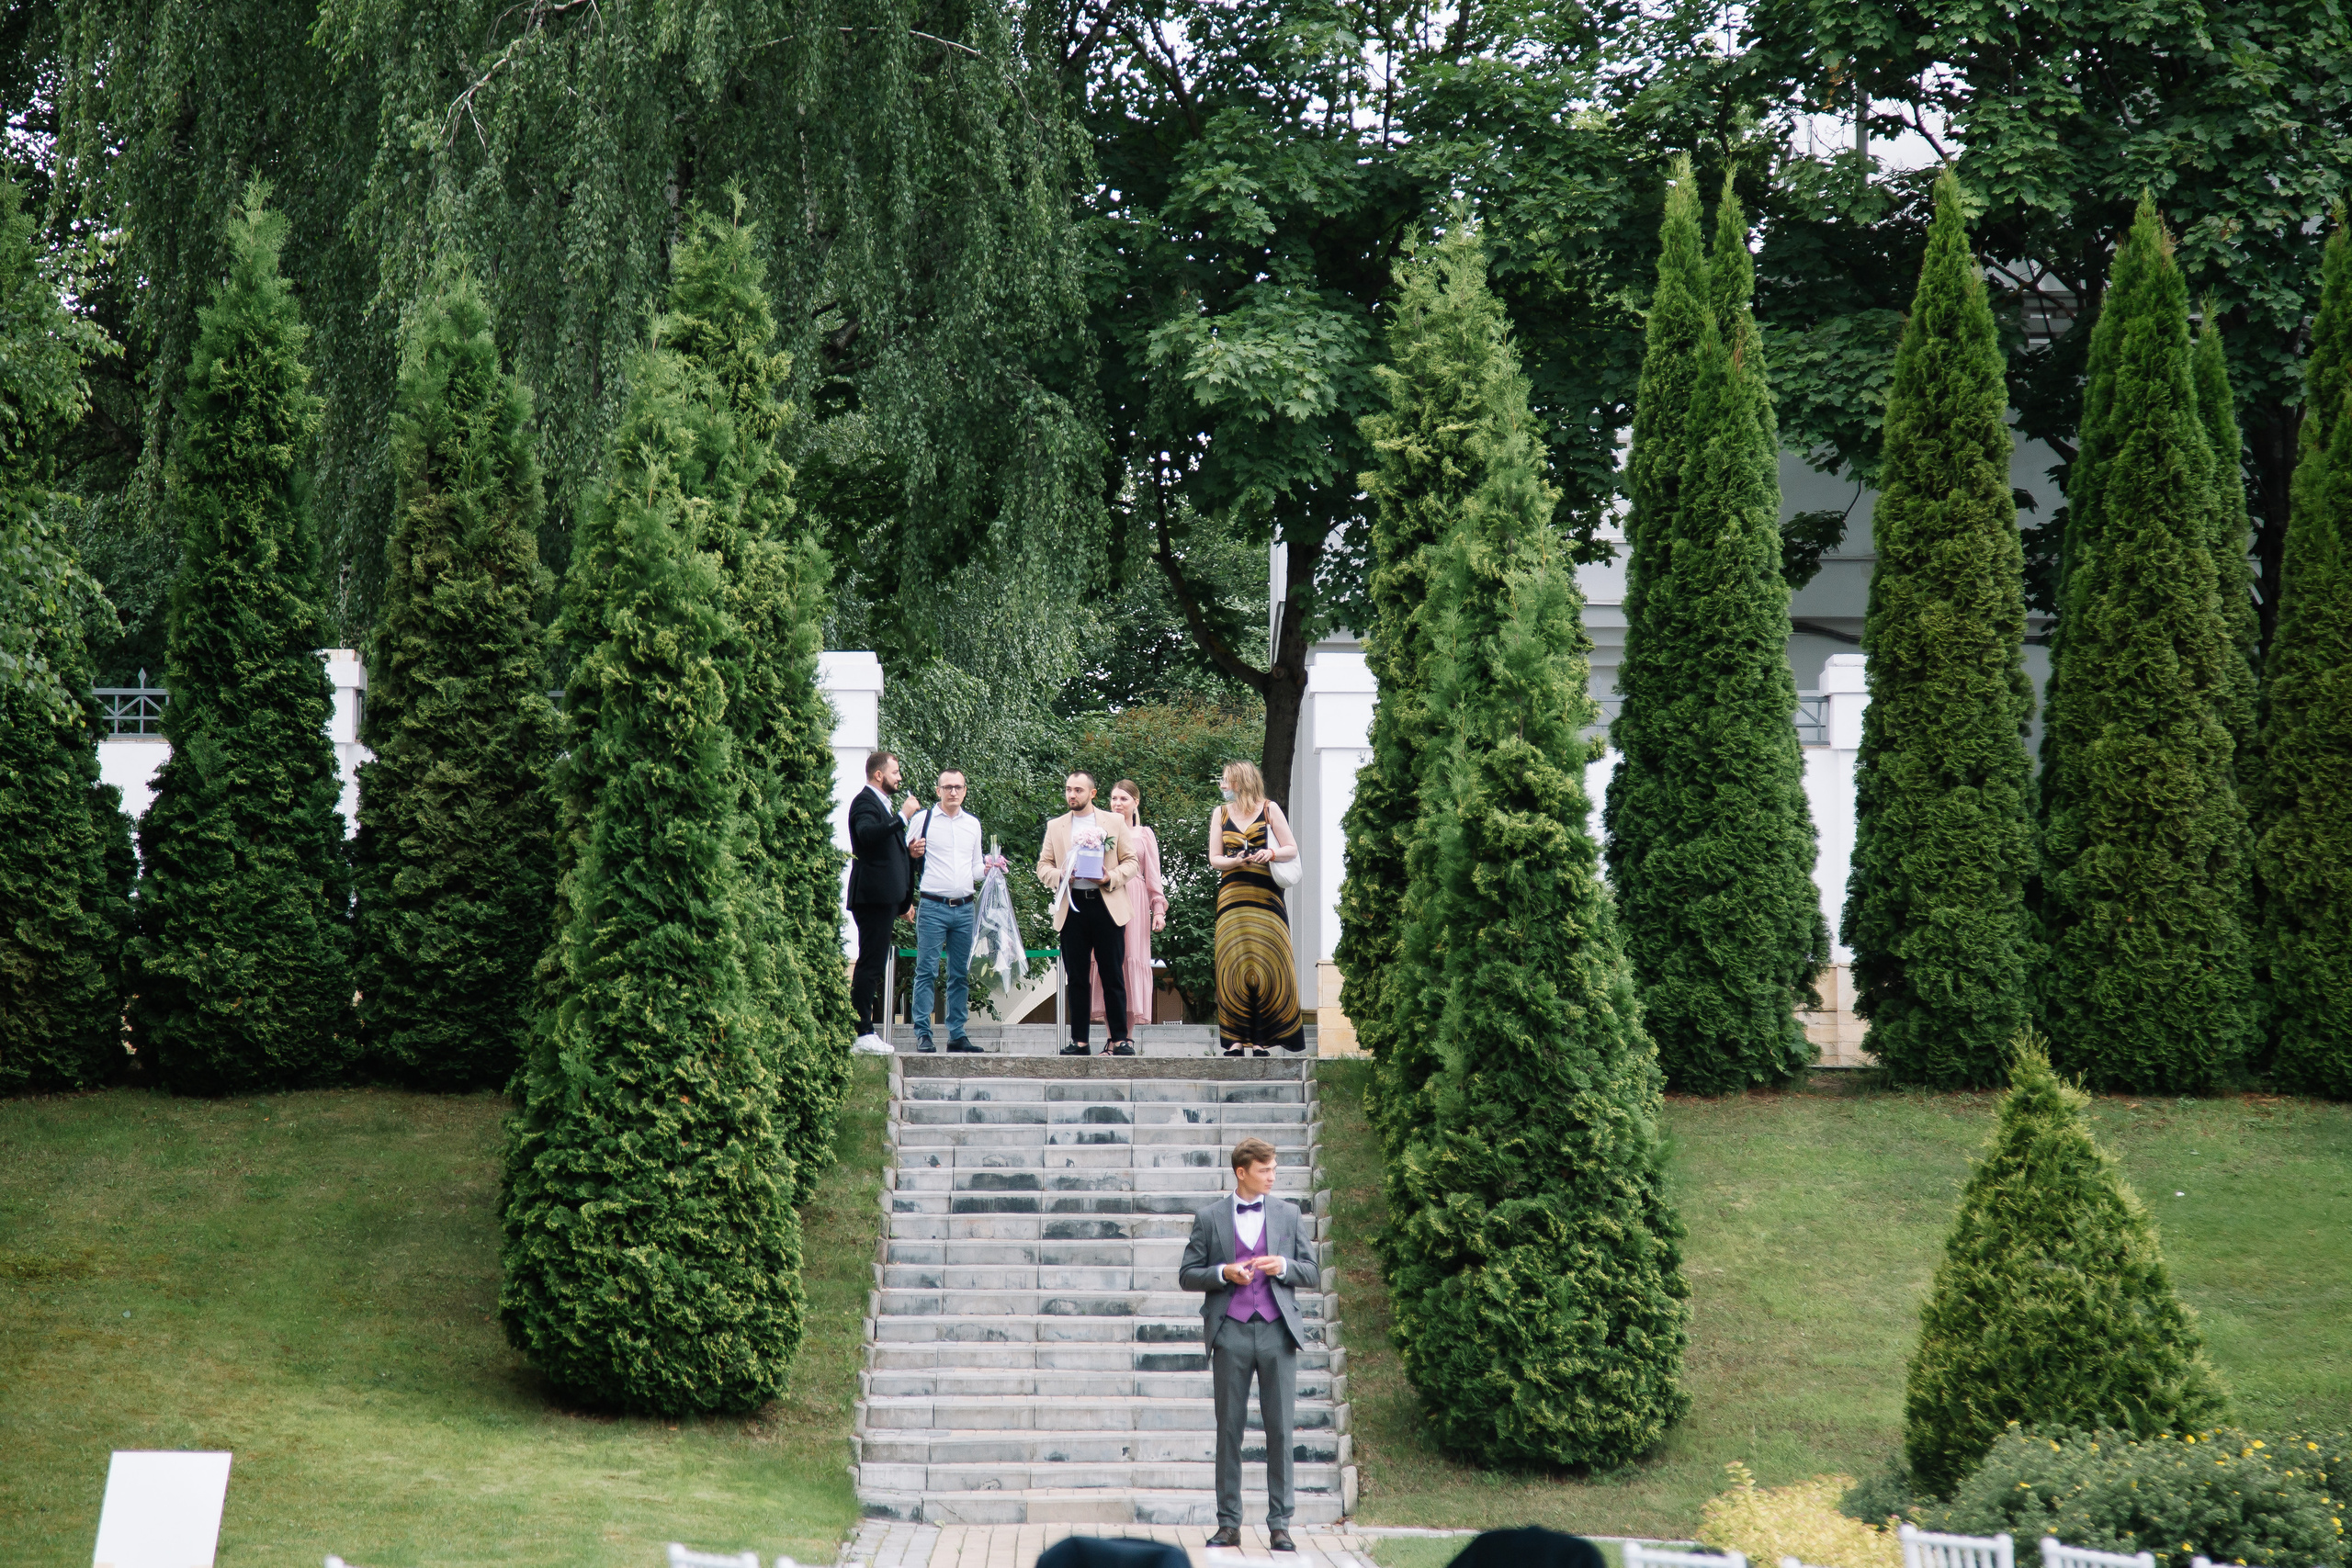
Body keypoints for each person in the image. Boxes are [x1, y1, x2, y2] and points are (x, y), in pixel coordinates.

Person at [1177, 1134, 1318, 1554]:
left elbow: (1312, 1271)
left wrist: (1284, 1266)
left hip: (1277, 1332)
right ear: (1242, 1173)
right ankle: (1228, 1524)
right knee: (1229, 1431)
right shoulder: (1209, 1217)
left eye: (1274, 1169)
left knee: (1281, 1430)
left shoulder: (1289, 1214)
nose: (1272, 1177)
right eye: (1264, 1170)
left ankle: (1280, 1526)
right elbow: (1187, 1274)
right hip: (1231, 1332)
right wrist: (1223, 1272)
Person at [1035, 770, 1139, 1056]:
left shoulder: (1114, 821)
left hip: (1106, 905)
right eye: (1069, 789)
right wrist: (1061, 875)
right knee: (1077, 978)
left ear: (1092, 793)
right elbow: (1043, 866)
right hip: (1072, 907)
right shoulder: (1056, 826)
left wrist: (1110, 877)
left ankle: (1120, 1039)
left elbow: (1131, 862)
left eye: (1078, 790)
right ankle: (1079, 1041)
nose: (1072, 794)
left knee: (1112, 975)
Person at [1207, 761, 1305, 1056]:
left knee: (1267, 964)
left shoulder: (1269, 809)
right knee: (1233, 966)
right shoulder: (1220, 813)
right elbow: (1215, 858)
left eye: (1227, 781)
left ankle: (1262, 1041)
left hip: (1266, 898)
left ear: (1241, 782)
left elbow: (1291, 848)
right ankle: (1235, 1040)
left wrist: (1270, 853)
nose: (1223, 786)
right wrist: (1235, 861)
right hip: (1232, 899)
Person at [905, 768, 989, 1054]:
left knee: (959, 973)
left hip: (964, 908)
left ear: (965, 790)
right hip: (932, 906)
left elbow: (975, 868)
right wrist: (911, 853)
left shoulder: (973, 824)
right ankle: (923, 1033)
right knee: (926, 970)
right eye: (948, 787)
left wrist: (990, 867)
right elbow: (904, 856)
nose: (953, 792)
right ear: (938, 790)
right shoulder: (923, 819)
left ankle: (957, 1034)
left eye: (958, 787)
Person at [846, 750, 917, 1055]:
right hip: (872, 898)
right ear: (879, 775)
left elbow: (887, 853)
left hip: (884, 899)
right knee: (870, 963)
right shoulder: (865, 802)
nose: (900, 778)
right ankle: (861, 1032)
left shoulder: (882, 805)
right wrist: (903, 817)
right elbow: (867, 835)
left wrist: (903, 902)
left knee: (874, 963)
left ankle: (864, 1030)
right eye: (895, 772)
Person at [1090, 779, 1168, 1033]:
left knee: (1130, 961)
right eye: (1114, 798)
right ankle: (1112, 1037)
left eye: (1124, 799)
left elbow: (1153, 876)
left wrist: (1158, 911)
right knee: (1108, 963)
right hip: (1106, 897)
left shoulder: (1144, 834)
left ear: (1136, 802)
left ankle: (1127, 1038)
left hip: (1135, 901)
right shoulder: (1099, 831)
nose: (1118, 803)